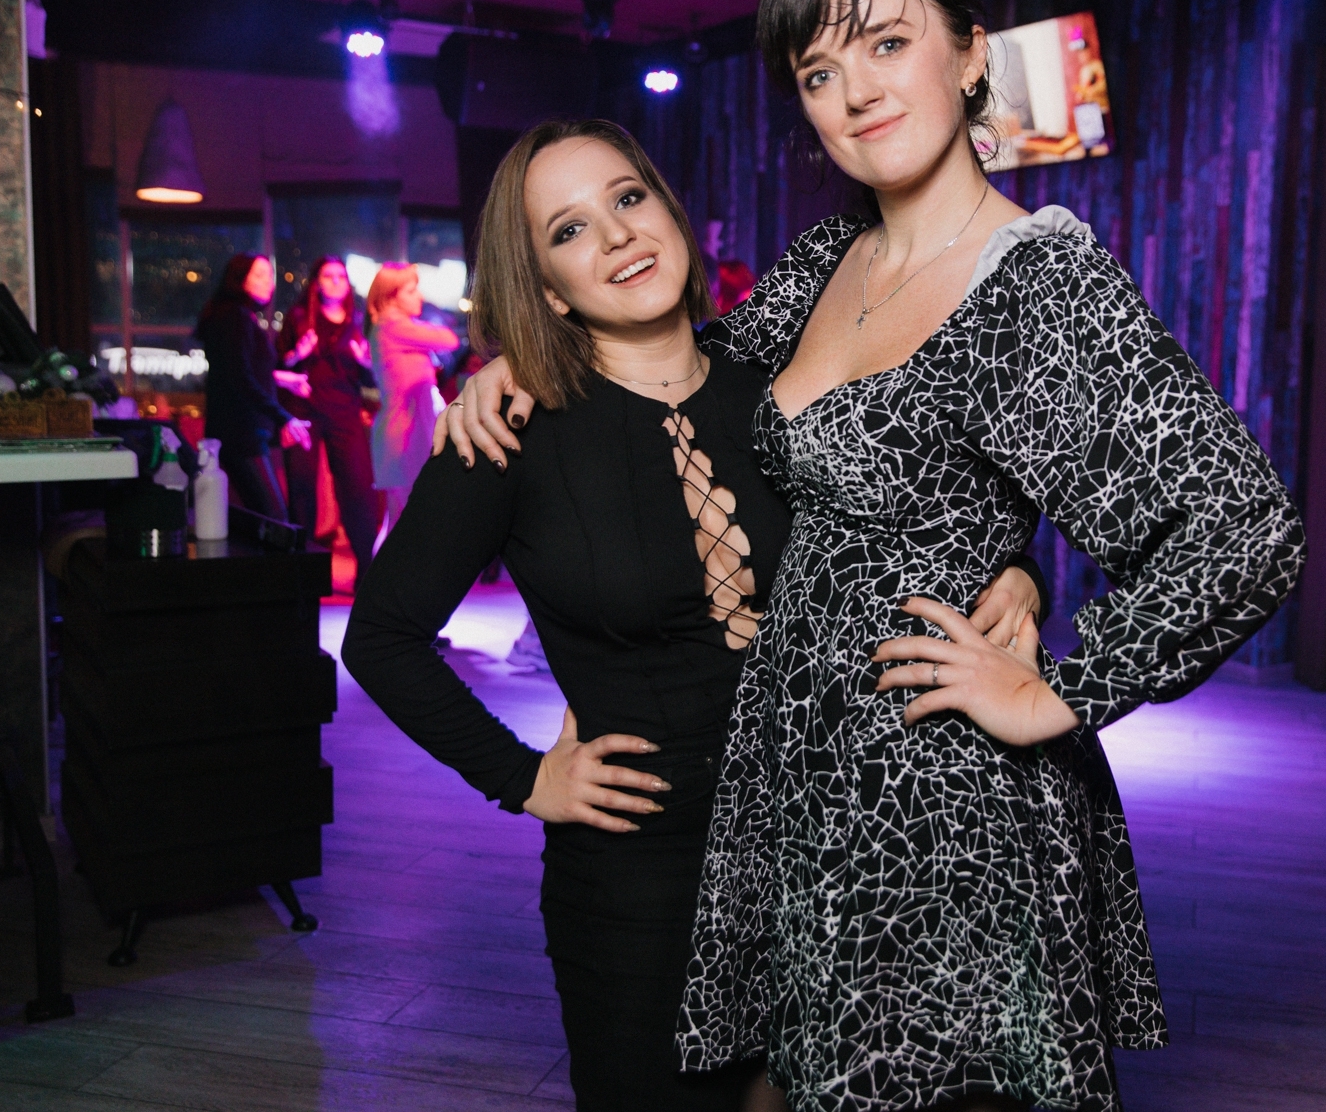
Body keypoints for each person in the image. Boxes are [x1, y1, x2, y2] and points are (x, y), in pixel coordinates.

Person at [443, 0, 1306, 1112]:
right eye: (819, 71)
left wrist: (1056, 689)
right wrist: (526, 361)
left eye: (888, 43)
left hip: (937, 799)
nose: (855, 92)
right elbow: (692, 378)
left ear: (968, 53)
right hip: (802, 794)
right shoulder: (827, 261)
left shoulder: (1041, 283)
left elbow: (1244, 529)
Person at [345, 117, 1051, 1112]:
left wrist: (1016, 571)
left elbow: (928, 517)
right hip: (644, 874)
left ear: (671, 215)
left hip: (832, 849)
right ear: (549, 288)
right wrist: (523, 776)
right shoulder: (512, 434)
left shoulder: (792, 392)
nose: (617, 236)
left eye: (628, 198)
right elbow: (380, 637)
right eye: (569, 230)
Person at [278, 255, 384, 583]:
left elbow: (372, 380)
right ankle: (302, 574)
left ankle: (366, 572)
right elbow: (278, 367)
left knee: (357, 487)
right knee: (302, 487)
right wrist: (297, 355)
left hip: (344, 410)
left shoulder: (358, 321)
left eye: (341, 276)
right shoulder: (299, 318)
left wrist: (366, 364)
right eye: (328, 276)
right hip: (304, 409)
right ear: (316, 283)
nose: (336, 281)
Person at [196, 253, 310, 519]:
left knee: (265, 516)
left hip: (238, 431)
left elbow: (238, 370)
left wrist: (281, 379)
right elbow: (239, 378)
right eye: (259, 275)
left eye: (270, 275)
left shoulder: (234, 315)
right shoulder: (235, 317)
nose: (269, 282)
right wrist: (284, 418)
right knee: (274, 518)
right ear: (239, 279)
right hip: (241, 434)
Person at [364, 261, 460, 538]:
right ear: (390, 297)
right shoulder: (392, 326)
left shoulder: (394, 327)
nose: (419, 296)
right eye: (411, 290)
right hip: (403, 435)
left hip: (409, 431)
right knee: (405, 525)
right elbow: (449, 339)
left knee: (402, 522)